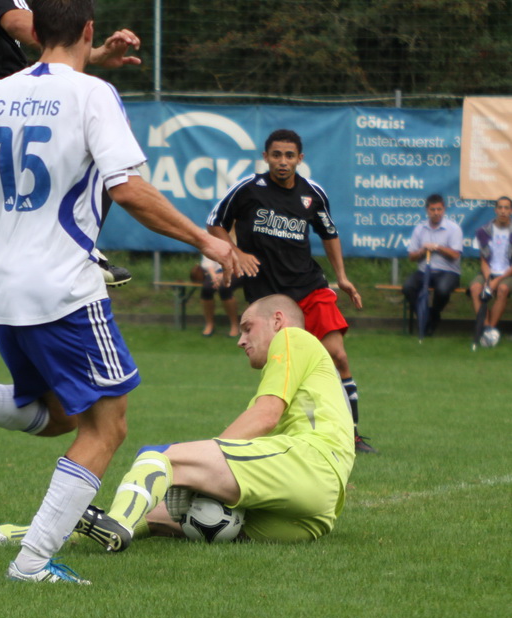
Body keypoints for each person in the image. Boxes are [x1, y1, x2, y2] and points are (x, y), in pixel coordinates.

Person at [0, 0, 237, 584]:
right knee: (107, 427)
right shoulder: (92, 94)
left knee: (58, 414)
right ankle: (32, 562)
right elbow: (129, 189)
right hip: (64, 287)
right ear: (88, 30)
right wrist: (205, 240)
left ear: (36, 31)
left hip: (3, 293)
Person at [0, 0, 143, 478]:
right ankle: (85, 251)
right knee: (99, 161)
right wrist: (82, 46)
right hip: (12, 128)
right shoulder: (50, 81)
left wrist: (89, 51)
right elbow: (24, 24)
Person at [0, 295, 355, 547]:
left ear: (278, 321)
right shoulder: (304, 370)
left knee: (159, 458)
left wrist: (201, 464)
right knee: (158, 516)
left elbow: (265, 414)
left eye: (247, 327)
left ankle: (118, 525)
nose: (241, 339)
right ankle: (16, 534)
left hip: (311, 464)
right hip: (313, 517)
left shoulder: (293, 338)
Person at [206, 129, 374, 454]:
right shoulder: (247, 189)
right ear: (265, 157)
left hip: (309, 288)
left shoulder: (312, 194)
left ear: (300, 158)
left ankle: (351, 436)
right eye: (276, 155)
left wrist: (342, 277)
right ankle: (290, 433)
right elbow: (215, 223)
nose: (282, 161)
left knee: (337, 356)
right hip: (267, 298)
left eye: (289, 155)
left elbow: (329, 233)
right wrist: (236, 253)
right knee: (284, 367)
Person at [401, 194, 463, 337]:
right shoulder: (420, 229)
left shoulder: (454, 228)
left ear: (444, 209)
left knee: (442, 290)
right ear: (427, 210)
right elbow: (411, 257)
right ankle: (425, 316)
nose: (436, 213)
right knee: (408, 287)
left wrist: (437, 247)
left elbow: (455, 255)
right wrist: (422, 251)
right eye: (433, 210)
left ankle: (434, 315)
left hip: (448, 272)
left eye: (439, 209)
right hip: (424, 271)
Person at [469, 196, 512, 336]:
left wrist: (496, 281)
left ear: (511, 211)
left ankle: (491, 330)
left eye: (506, 208)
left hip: (507, 273)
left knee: (503, 289)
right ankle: (486, 327)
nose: (503, 211)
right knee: (475, 287)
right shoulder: (483, 231)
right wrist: (488, 280)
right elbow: (483, 260)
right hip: (488, 271)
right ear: (495, 210)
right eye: (500, 207)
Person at [191, 254, 241, 337]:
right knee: (207, 288)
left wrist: (225, 274)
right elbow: (208, 261)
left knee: (224, 288)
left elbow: (240, 261)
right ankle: (209, 324)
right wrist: (214, 276)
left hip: (237, 271)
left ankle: (234, 325)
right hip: (215, 271)